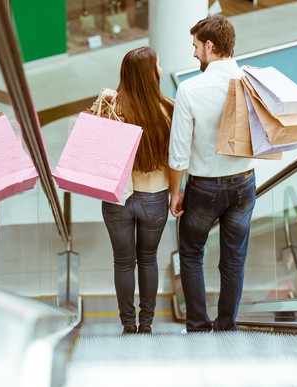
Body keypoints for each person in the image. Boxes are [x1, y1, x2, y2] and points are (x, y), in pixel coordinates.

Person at [169, 15, 256, 332]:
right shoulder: (251, 81)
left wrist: (175, 192)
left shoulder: (190, 89)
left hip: (204, 187)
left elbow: (178, 153)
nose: (193, 54)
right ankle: (226, 325)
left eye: (195, 47)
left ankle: (197, 324)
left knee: (191, 253)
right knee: (234, 258)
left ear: (210, 46)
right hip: (245, 182)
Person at [97, 46, 174, 334]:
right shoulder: (168, 108)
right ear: (150, 74)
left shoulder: (112, 109)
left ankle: (127, 324)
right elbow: (176, 158)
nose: (162, 69)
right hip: (154, 197)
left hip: (118, 198)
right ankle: (147, 323)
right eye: (159, 64)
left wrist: (102, 101)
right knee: (149, 259)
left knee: (123, 262)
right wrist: (177, 191)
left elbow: (95, 148)